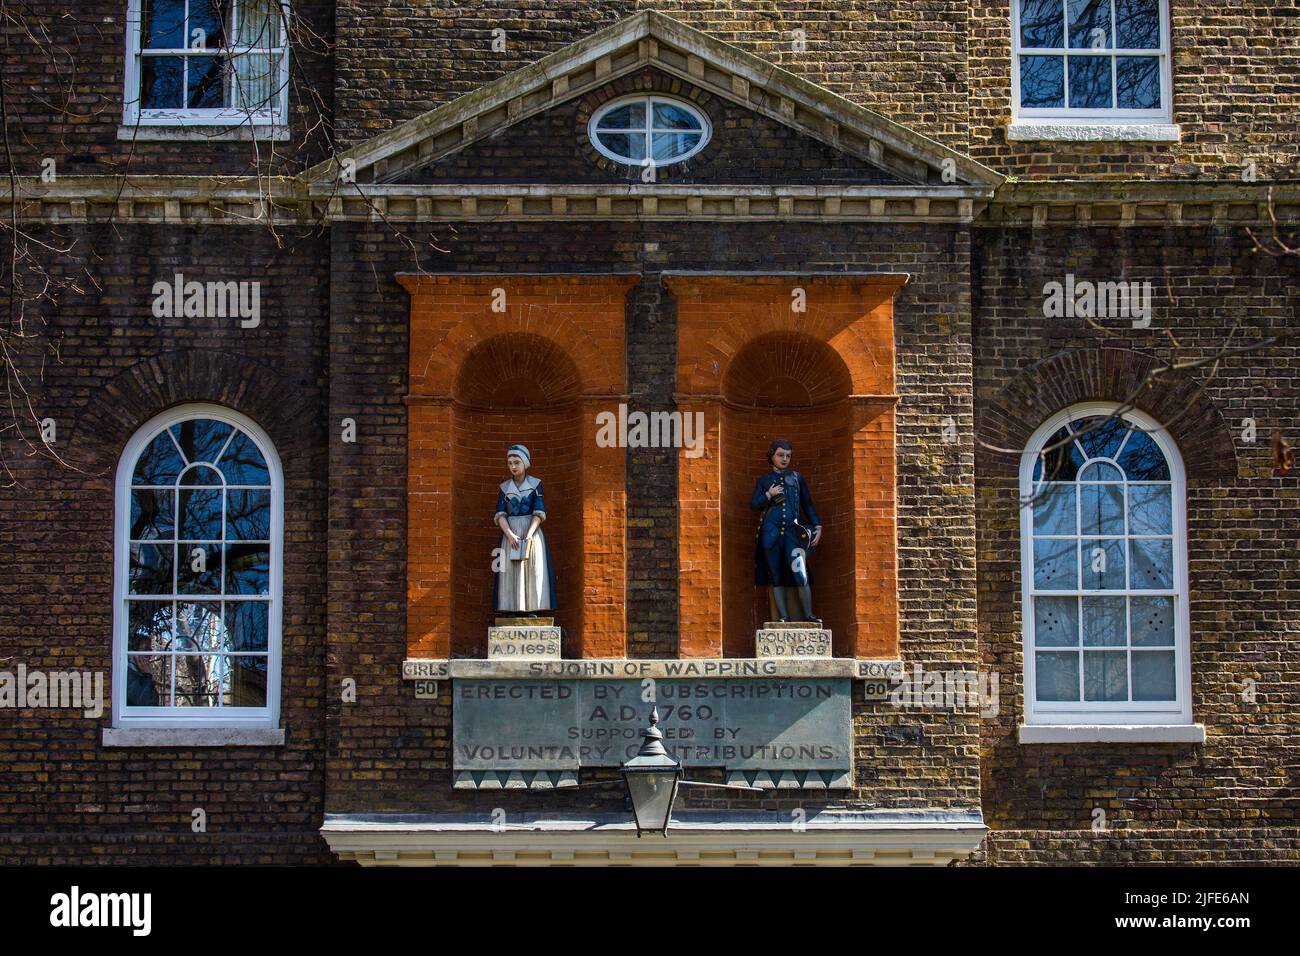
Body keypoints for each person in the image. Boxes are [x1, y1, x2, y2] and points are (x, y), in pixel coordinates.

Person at [751, 438, 822, 623]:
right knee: (776, 576)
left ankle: (808, 615)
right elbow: (754, 504)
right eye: (780, 455)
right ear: (772, 456)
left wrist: (818, 526)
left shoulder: (797, 478)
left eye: (788, 456)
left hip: (793, 533)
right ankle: (783, 617)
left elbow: (807, 504)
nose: (784, 459)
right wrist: (768, 494)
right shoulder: (764, 480)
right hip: (770, 534)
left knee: (800, 573)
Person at [493, 444, 555, 614]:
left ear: (525, 463)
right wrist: (510, 534)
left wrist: (529, 533)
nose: (513, 466)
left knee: (533, 568)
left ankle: (532, 608)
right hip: (510, 532)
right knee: (509, 570)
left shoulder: (535, 484)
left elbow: (539, 511)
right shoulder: (504, 487)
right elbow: (500, 514)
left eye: (516, 462)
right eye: (510, 463)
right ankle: (511, 607)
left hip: (531, 532)